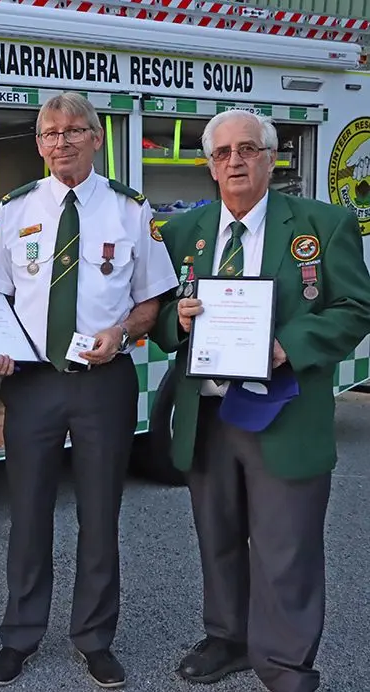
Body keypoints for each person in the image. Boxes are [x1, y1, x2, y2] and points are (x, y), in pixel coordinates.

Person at [148, 109, 370, 692]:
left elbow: (355, 307)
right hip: (211, 413)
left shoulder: (324, 225)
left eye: (248, 149)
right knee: (217, 534)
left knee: (285, 543)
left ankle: (287, 663)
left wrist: (286, 346)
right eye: (222, 153)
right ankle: (229, 637)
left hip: (284, 409)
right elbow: (160, 319)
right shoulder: (181, 233)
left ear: (272, 159)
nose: (235, 161)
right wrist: (180, 321)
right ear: (210, 166)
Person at [0, 92, 179, 688]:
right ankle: (19, 636)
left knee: (100, 515)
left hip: (102, 383)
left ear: (96, 138)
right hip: (33, 384)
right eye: (48, 133)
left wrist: (122, 332)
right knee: (28, 513)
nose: (60, 141)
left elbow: (151, 299)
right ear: (38, 144)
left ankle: (94, 638)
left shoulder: (129, 210)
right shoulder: (14, 210)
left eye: (72, 131)